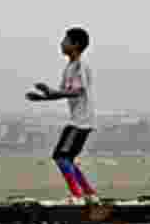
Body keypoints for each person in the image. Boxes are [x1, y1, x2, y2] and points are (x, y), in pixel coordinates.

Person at [26, 27, 98, 204]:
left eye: (65, 40)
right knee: (67, 158)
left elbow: (77, 92)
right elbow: (63, 92)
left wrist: (51, 92)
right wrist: (43, 97)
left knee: (61, 157)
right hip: (79, 120)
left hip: (81, 121)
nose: (61, 43)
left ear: (75, 45)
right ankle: (89, 194)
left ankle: (78, 196)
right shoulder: (69, 68)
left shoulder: (81, 66)